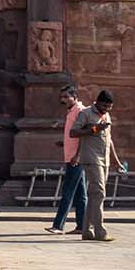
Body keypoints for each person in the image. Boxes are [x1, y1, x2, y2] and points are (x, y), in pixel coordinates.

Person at [70, 88, 124, 241]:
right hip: (91, 158)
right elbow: (73, 133)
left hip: (104, 159)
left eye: (109, 107)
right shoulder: (86, 114)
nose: (106, 109)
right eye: (104, 106)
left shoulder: (106, 115)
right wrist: (94, 129)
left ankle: (87, 231)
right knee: (100, 193)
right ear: (98, 102)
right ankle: (100, 231)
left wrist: (117, 162)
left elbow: (109, 141)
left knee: (95, 195)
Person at [45, 85, 88, 234]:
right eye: (61, 97)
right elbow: (74, 135)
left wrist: (78, 155)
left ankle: (58, 225)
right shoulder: (72, 111)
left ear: (74, 97)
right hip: (72, 156)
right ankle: (82, 226)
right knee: (80, 195)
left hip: (75, 158)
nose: (63, 100)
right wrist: (64, 143)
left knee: (68, 191)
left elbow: (83, 135)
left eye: (66, 97)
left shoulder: (80, 111)